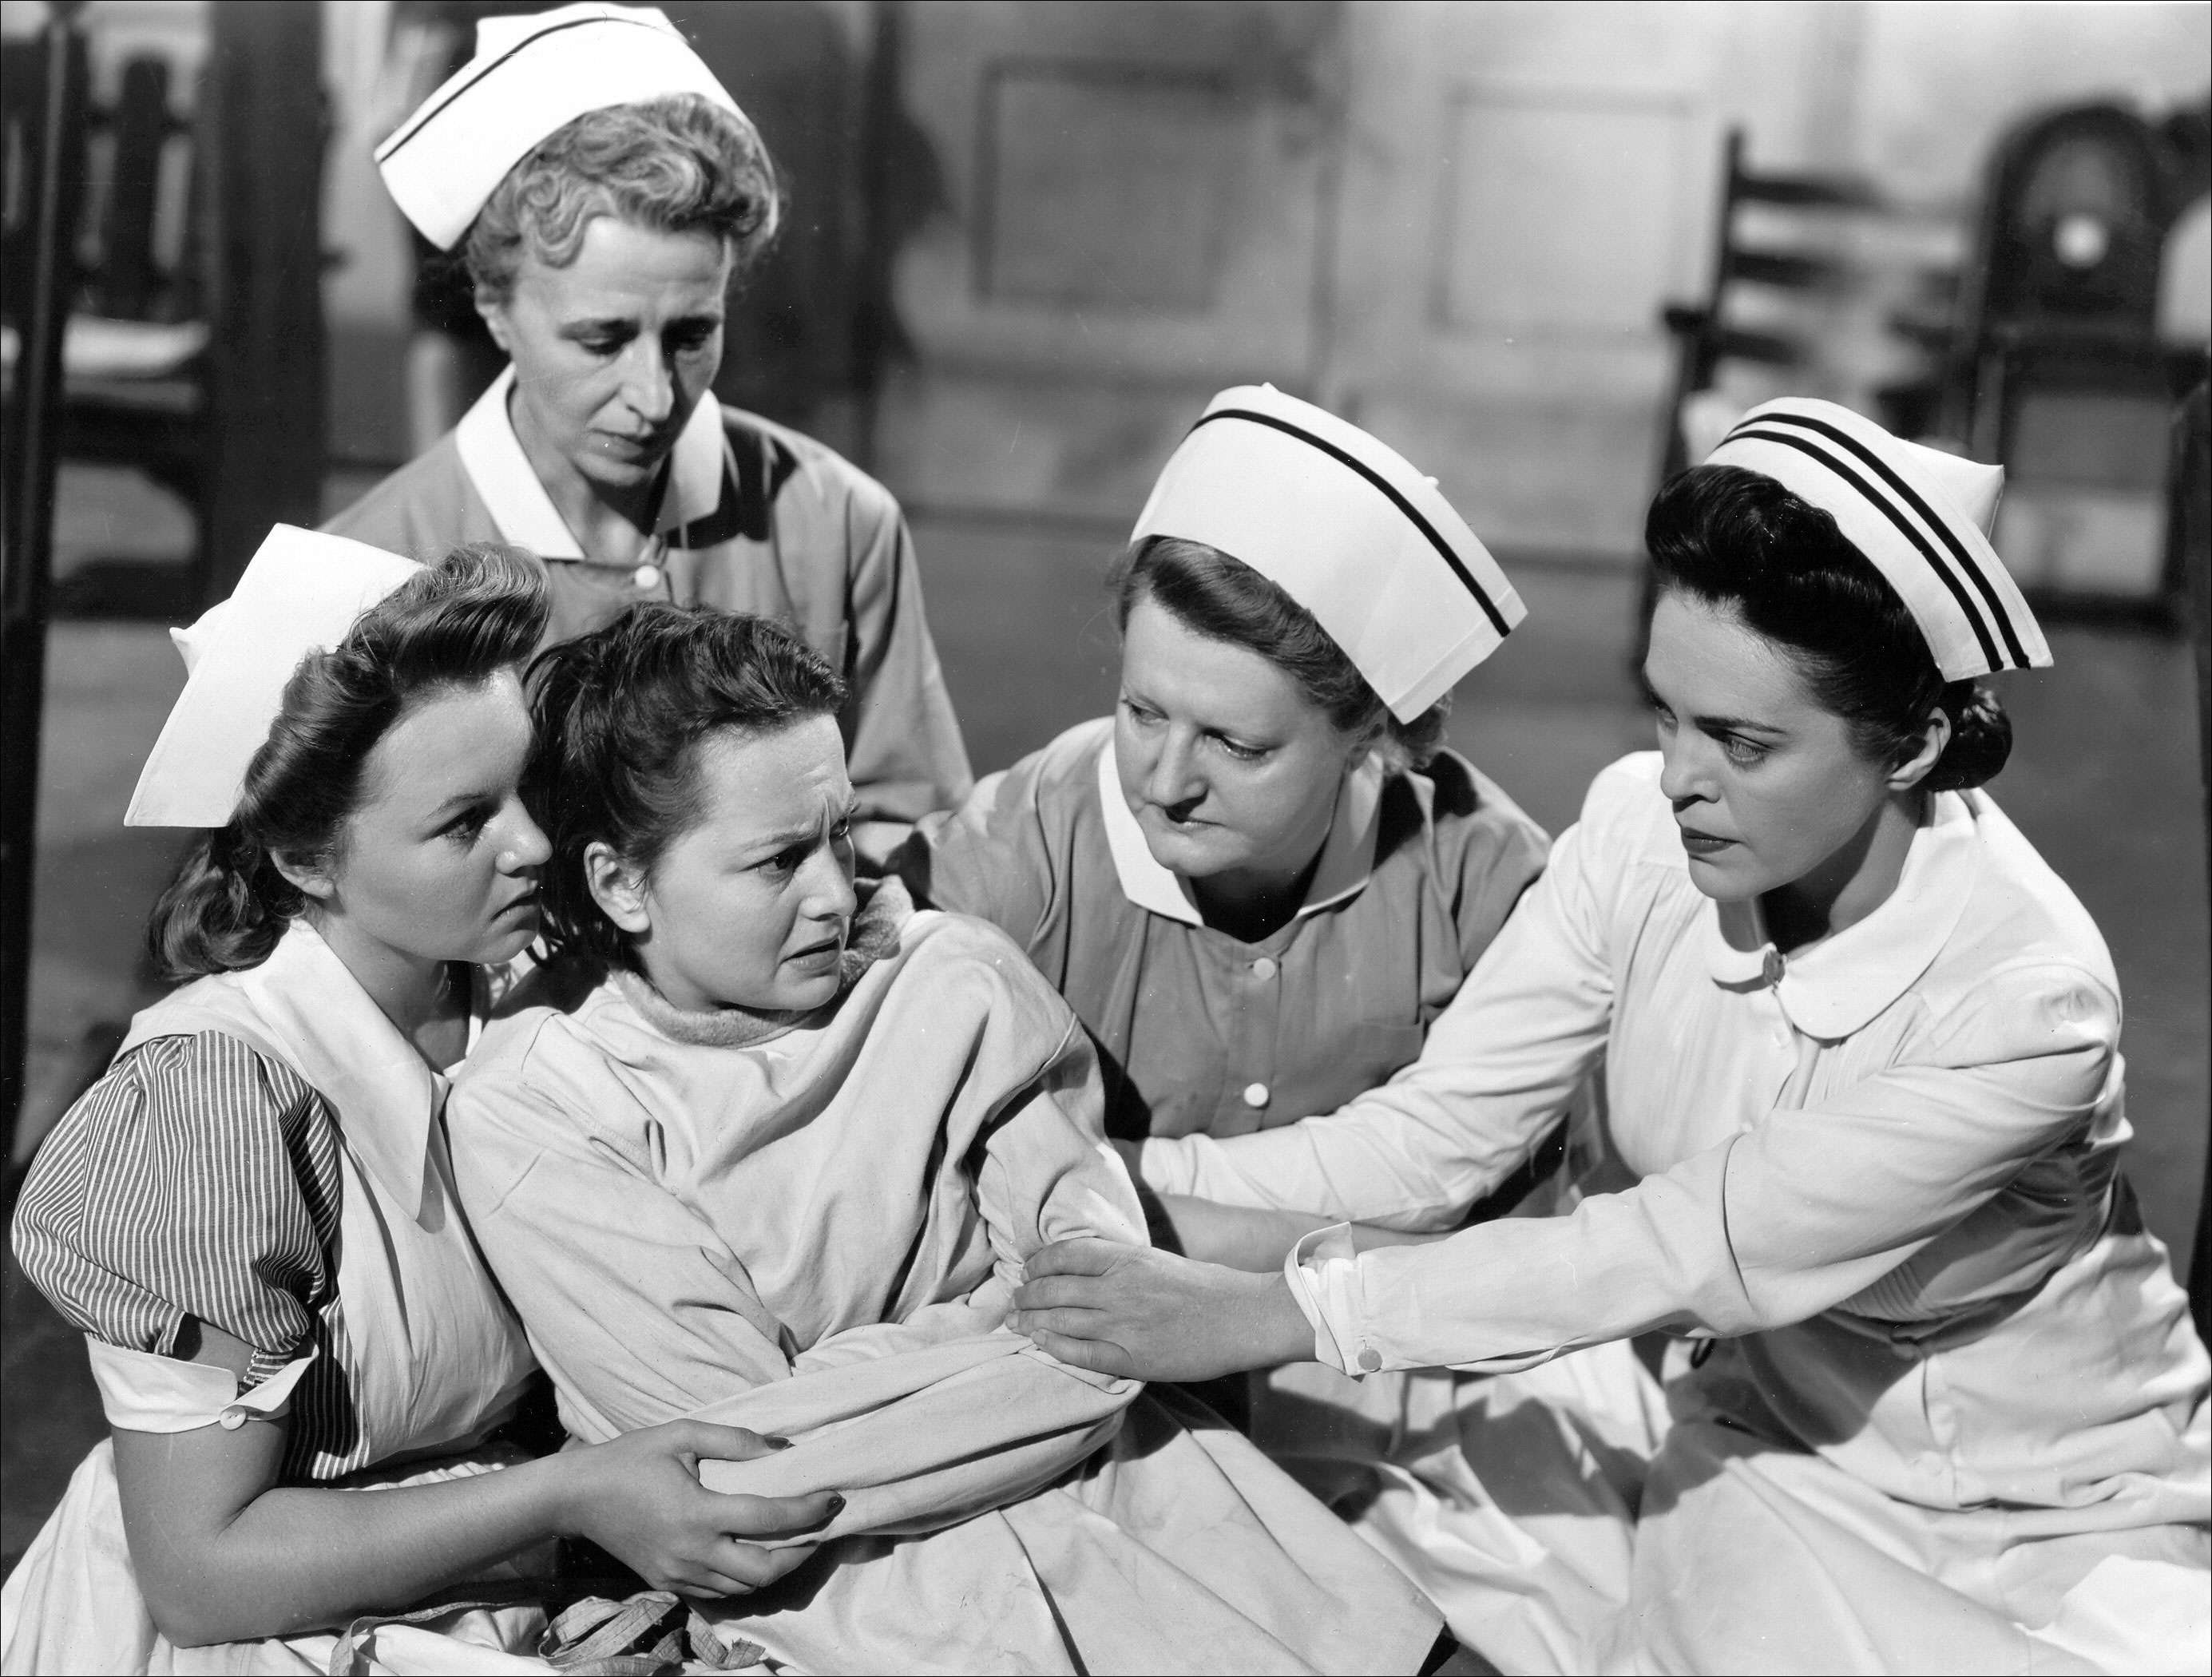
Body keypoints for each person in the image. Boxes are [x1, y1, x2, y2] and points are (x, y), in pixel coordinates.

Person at [1009, 399, 2212, 1674]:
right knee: (1265, 1499)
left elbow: (1677, 1246)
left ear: (1911, 745)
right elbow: (1431, 1142)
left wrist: (1268, 1313)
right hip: (1722, 1412)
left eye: (1742, 743)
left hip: (2000, 1515)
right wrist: (1113, 1185)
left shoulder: (2026, 1003)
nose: (1681, 776)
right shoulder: (1642, 831)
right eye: (1667, 715)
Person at [446, 605, 1449, 1674]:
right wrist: (1000, 1321)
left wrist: (834, 1374)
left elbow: (1118, 1333)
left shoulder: (951, 979)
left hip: (1181, 1529)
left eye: (841, 834)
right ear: (621, 884)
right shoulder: (539, 1106)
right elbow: (738, 1477)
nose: (833, 894)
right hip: (875, 1614)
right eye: (778, 862)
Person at [1, 531, 841, 1675]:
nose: (533, 843)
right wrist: (568, 1493)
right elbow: (199, 1576)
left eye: (526, 789)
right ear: (306, 858)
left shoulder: (539, 981)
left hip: (513, 1602)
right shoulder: (213, 1108)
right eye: (463, 822)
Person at [329, 2, 969, 862]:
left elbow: (911, 827)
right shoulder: (373, 568)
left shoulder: (838, 524)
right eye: (602, 340)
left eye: (691, 334)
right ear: (494, 307)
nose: (654, 396)